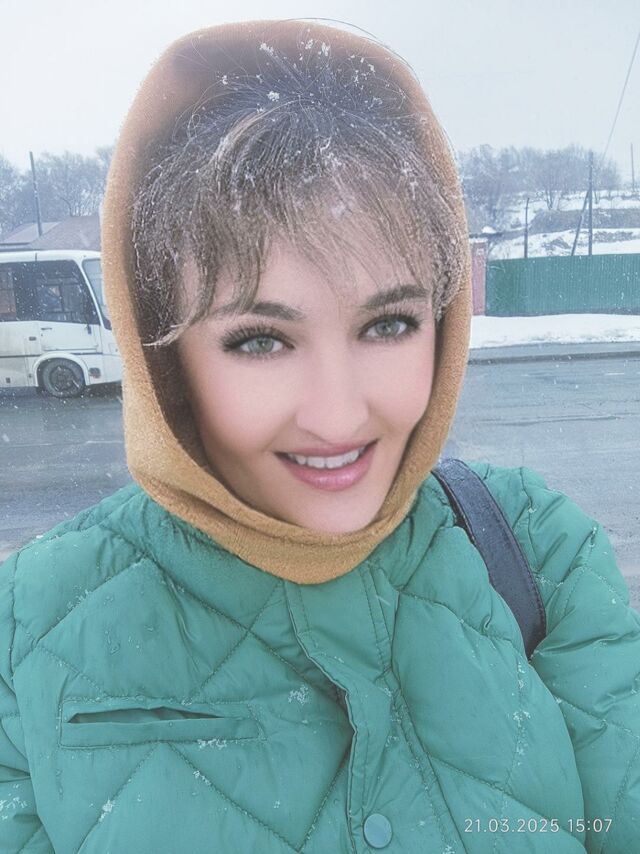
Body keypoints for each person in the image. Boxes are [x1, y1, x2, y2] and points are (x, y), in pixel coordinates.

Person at [1, 19, 638, 854]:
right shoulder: (29, 626)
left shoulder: (537, 552)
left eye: (389, 324)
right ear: (168, 359)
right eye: (260, 341)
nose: (337, 418)